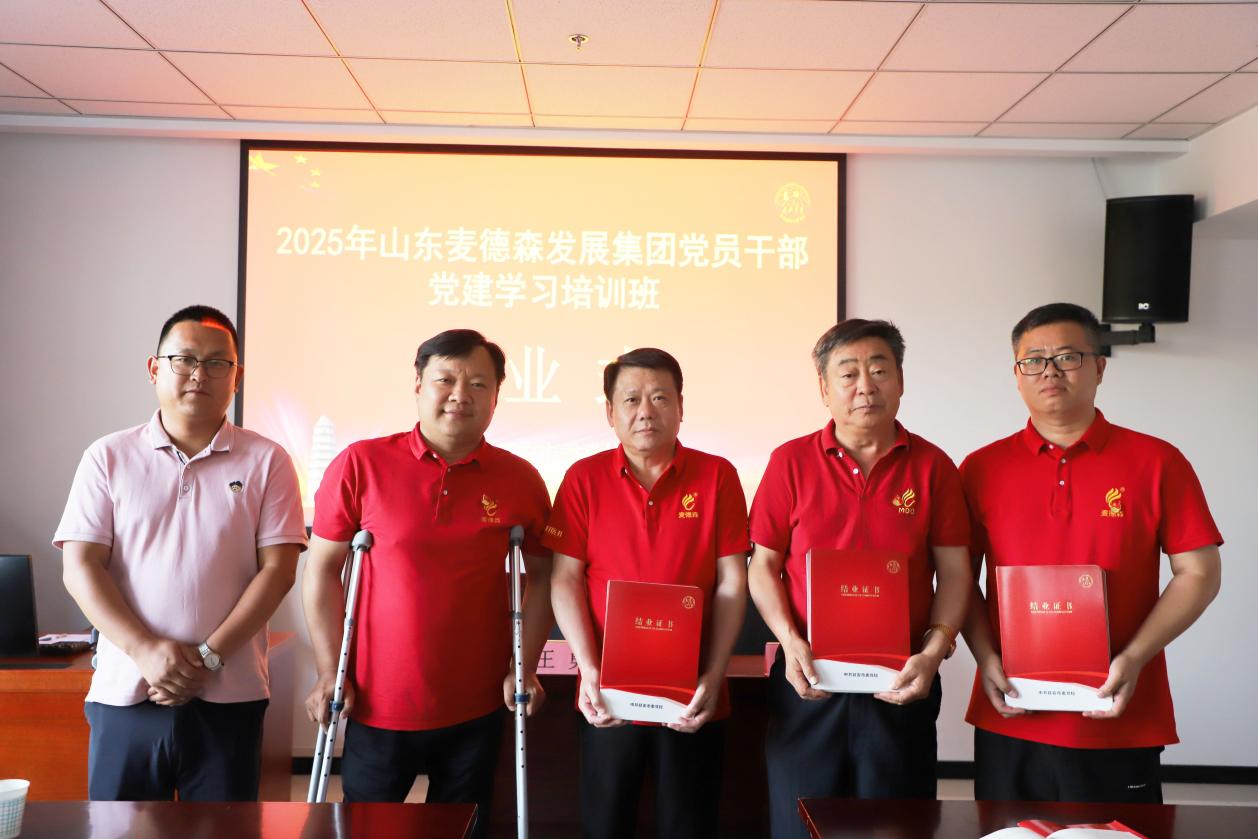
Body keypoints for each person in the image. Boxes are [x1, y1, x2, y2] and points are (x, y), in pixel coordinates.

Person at [961, 302, 1222, 803]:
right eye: (1032, 360)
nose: (1049, 371)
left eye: (1067, 356)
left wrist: (1135, 657)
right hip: (1012, 710)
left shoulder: (1157, 461)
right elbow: (959, 578)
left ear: (1100, 367)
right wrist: (985, 656)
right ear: (1016, 375)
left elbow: (1200, 571)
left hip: (1119, 711)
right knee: (1008, 835)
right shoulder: (980, 468)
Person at [302, 328, 551, 839]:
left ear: (497, 397)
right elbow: (323, 569)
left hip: (477, 702)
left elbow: (544, 577)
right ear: (418, 384)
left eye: (478, 384)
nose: (461, 395)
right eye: (445, 380)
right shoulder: (362, 464)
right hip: (378, 702)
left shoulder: (519, 479)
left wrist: (522, 666)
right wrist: (329, 670)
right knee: (365, 830)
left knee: (462, 830)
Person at [56, 304, 306, 801]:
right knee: (118, 830)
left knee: (223, 831)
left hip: (229, 694)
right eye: (184, 359)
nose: (199, 373)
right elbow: (80, 566)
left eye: (217, 363)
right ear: (155, 368)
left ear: (236, 377)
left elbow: (278, 572)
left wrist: (208, 658)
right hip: (128, 691)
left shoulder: (268, 460)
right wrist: (146, 651)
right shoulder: (107, 457)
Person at [747, 319, 972, 839]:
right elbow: (762, 566)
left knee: (897, 828)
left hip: (902, 684)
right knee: (800, 825)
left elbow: (956, 572)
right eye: (848, 373)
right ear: (825, 388)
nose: (865, 386)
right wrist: (789, 641)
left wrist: (934, 650)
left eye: (879, 370)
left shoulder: (933, 467)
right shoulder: (790, 462)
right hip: (807, 682)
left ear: (901, 380)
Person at [547, 348, 749, 839]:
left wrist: (714, 673)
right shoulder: (583, 478)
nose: (646, 411)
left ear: (681, 406)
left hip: (692, 693)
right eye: (631, 399)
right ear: (610, 412)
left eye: (660, 397)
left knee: (689, 826)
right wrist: (589, 670)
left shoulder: (717, 476)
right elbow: (564, 579)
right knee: (605, 825)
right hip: (606, 694)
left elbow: (731, 582)